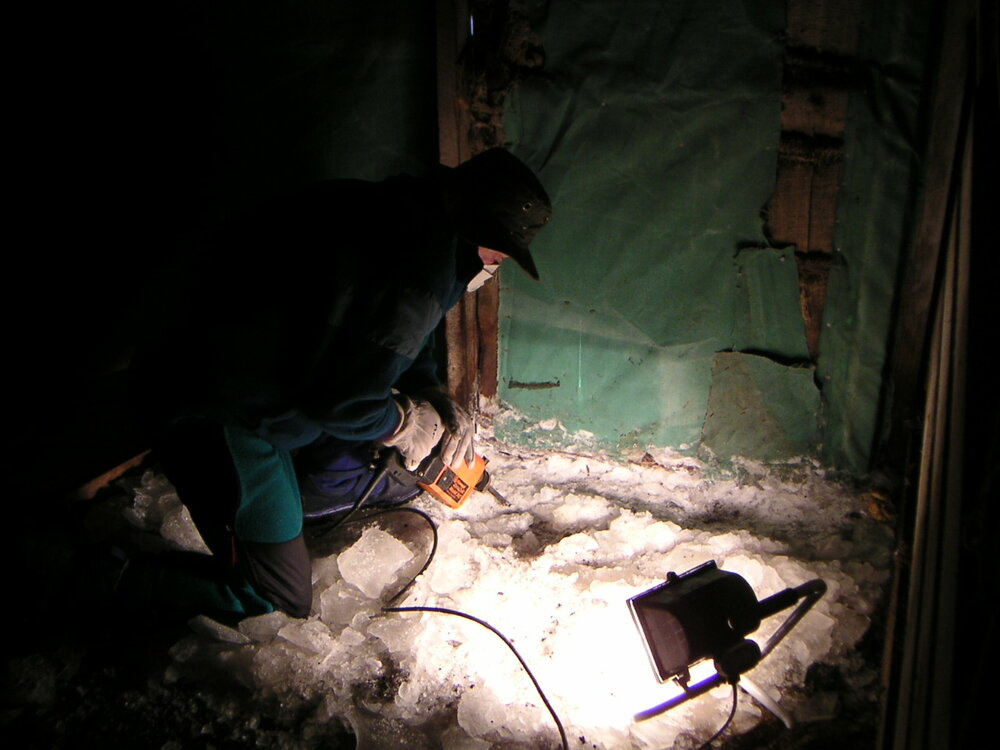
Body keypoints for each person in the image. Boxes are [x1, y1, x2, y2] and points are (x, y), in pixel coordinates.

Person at [125, 148, 552, 623]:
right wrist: (405, 424)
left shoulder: (399, 212)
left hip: (224, 376)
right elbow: (344, 402)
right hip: (222, 407)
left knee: (359, 472)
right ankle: (101, 575)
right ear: (475, 229)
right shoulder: (421, 269)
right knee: (278, 602)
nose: (497, 261)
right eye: (500, 249)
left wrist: (429, 393)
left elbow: (401, 343)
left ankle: (268, 517)